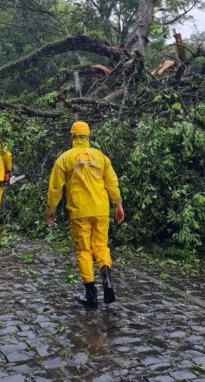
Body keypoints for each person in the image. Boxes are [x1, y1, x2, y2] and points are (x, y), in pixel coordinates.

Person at [47, 121, 125, 308]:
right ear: (88, 136)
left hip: (79, 210)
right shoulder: (101, 157)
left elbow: (55, 188)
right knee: (101, 247)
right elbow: (112, 183)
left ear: (72, 136)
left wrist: (51, 210)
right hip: (101, 209)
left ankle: (91, 294)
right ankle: (107, 281)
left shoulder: (65, 158)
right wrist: (118, 204)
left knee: (84, 251)